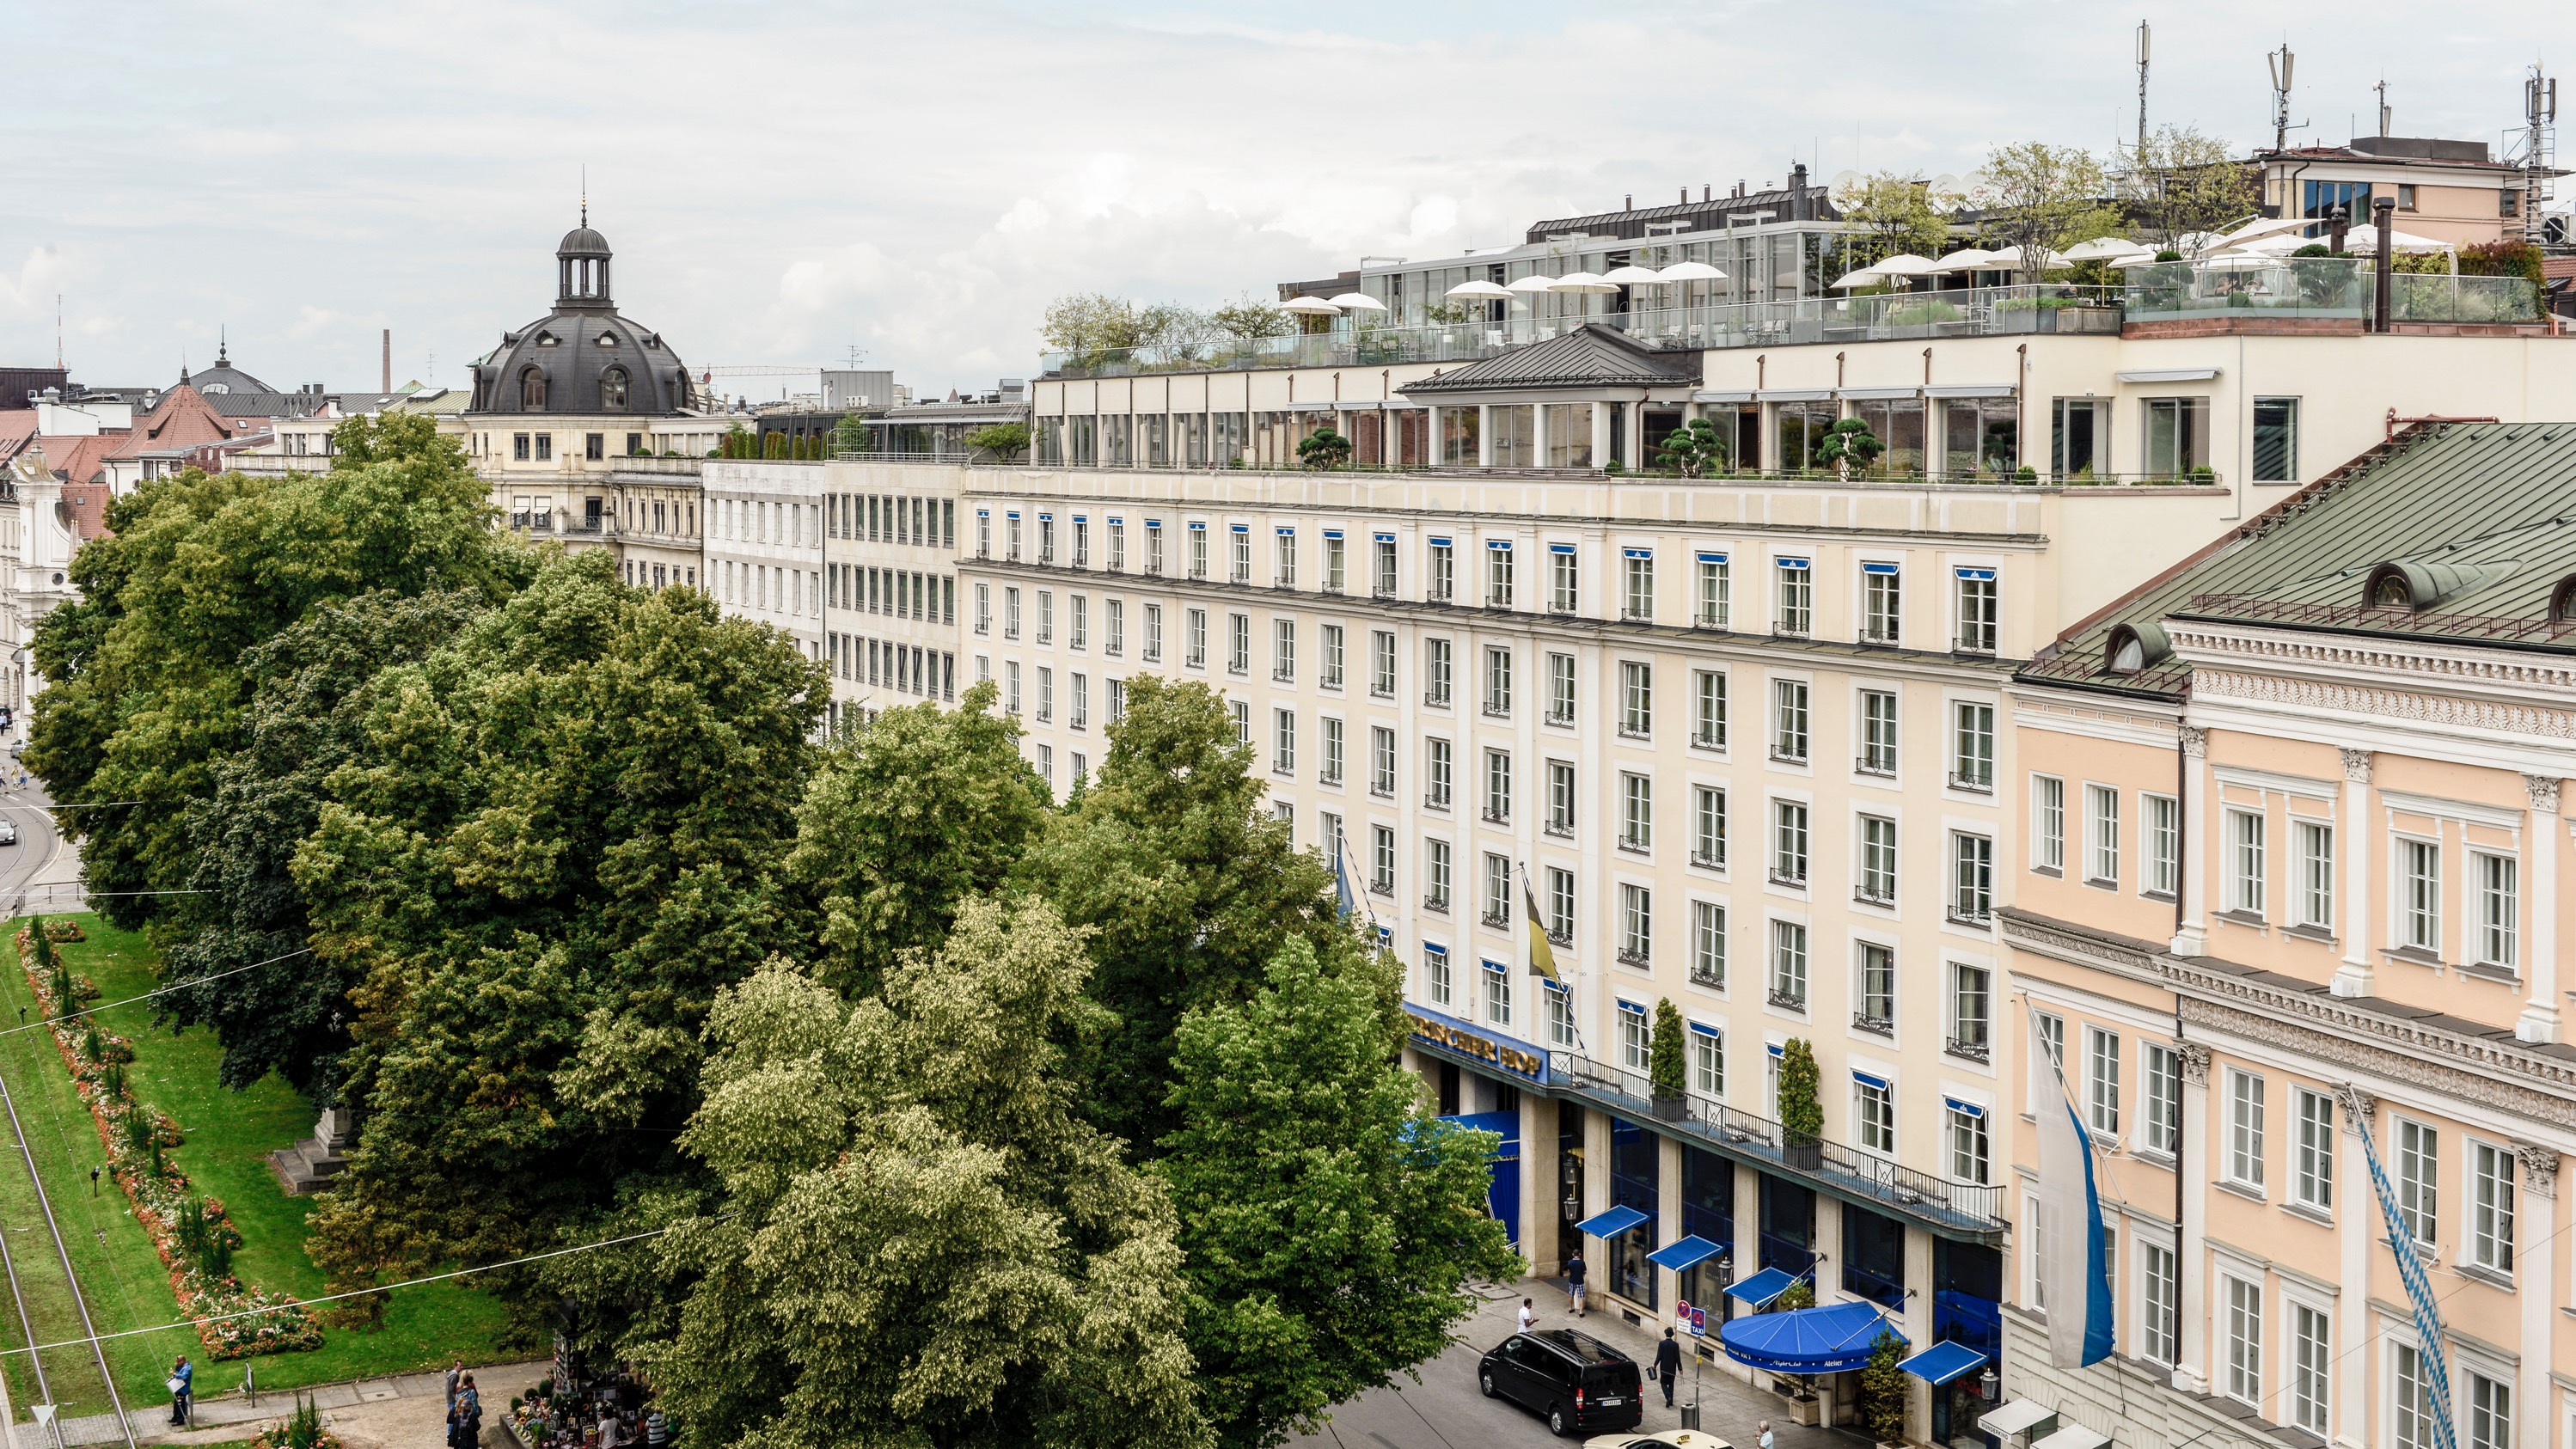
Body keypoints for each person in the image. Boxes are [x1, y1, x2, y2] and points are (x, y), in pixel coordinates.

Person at [1655, 1327, 1683, 1408]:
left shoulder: (1662, 1344)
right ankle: (1671, 1401)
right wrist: (1680, 1369)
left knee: (1663, 1383)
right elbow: (1678, 1358)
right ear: (1672, 1335)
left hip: (1664, 1368)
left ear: (1666, 1334)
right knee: (1671, 1384)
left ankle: (1668, 1397)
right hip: (1672, 1369)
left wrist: (1655, 1364)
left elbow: (1659, 1356)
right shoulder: (1675, 1345)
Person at [167, 1356, 193, 1427]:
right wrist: (177, 1366)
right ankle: (175, 1417)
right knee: (176, 1403)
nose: (178, 1363)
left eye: (179, 1362)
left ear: (183, 1360)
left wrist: (174, 1374)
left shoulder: (187, 1368)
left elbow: (184, 1376)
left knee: (180, 1404)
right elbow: (179, 1370)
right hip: (179, 1387)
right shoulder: (183, 1366)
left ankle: (180, 1420)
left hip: (183, 1388)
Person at [1564, 1250, 1588, 1317]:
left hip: (1572, 1280)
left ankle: (1570, 1308)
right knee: (1581, 1296)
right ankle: (1581, 1311)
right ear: (1579, 1254)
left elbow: (1569, 1271)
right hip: (1580, 1281)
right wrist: (1581, 1275)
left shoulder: (1570, 1262)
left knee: (1571, 1295)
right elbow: (1585, 1272)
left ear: (1573, 1254)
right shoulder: (1582, 1262)